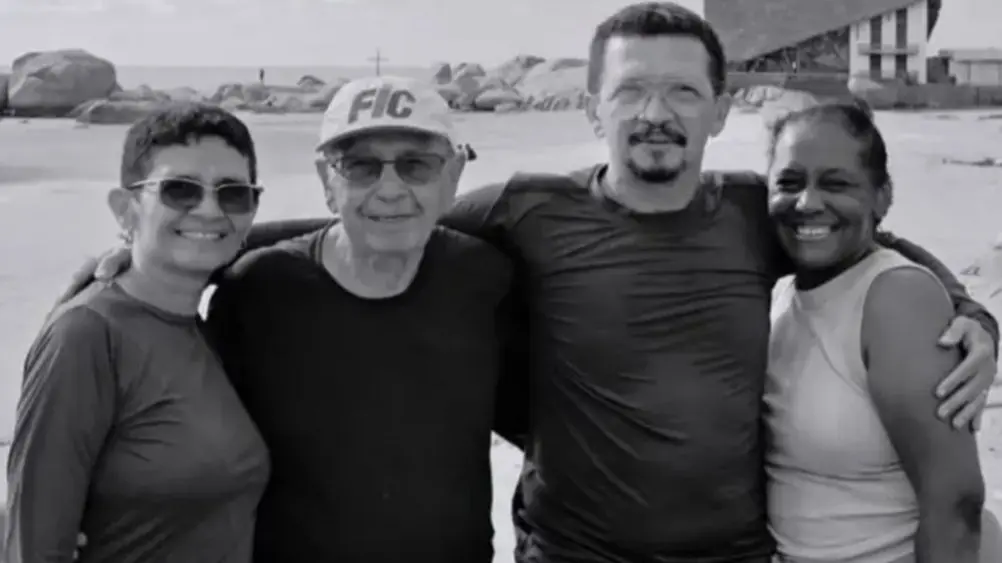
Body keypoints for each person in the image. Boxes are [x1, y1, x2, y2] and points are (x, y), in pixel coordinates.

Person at [53, 4, 999, 561]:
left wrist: (967, 310)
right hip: (568, 551)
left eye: (681, 90)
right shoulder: (528, 209)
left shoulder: (756, 212)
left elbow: (856, 234)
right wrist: (176, 250)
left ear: (720, 109)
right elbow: (378, 223)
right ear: (593, 108)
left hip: (734, 554)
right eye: (631, 90)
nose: (656, 111)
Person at [4, 104, 271, 562]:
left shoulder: (205, 325)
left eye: (234, 195)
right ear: (125, 208)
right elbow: (33, 546)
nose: (209, 210)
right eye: (179, 190)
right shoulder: (87, 334)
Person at [765, 103, 1002, 563]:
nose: (808, 202)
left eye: (836, 183)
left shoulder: (896, 298)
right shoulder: (784, 290)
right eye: (789, 183)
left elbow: (955, 505)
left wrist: (981, 323)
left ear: (882, 197)